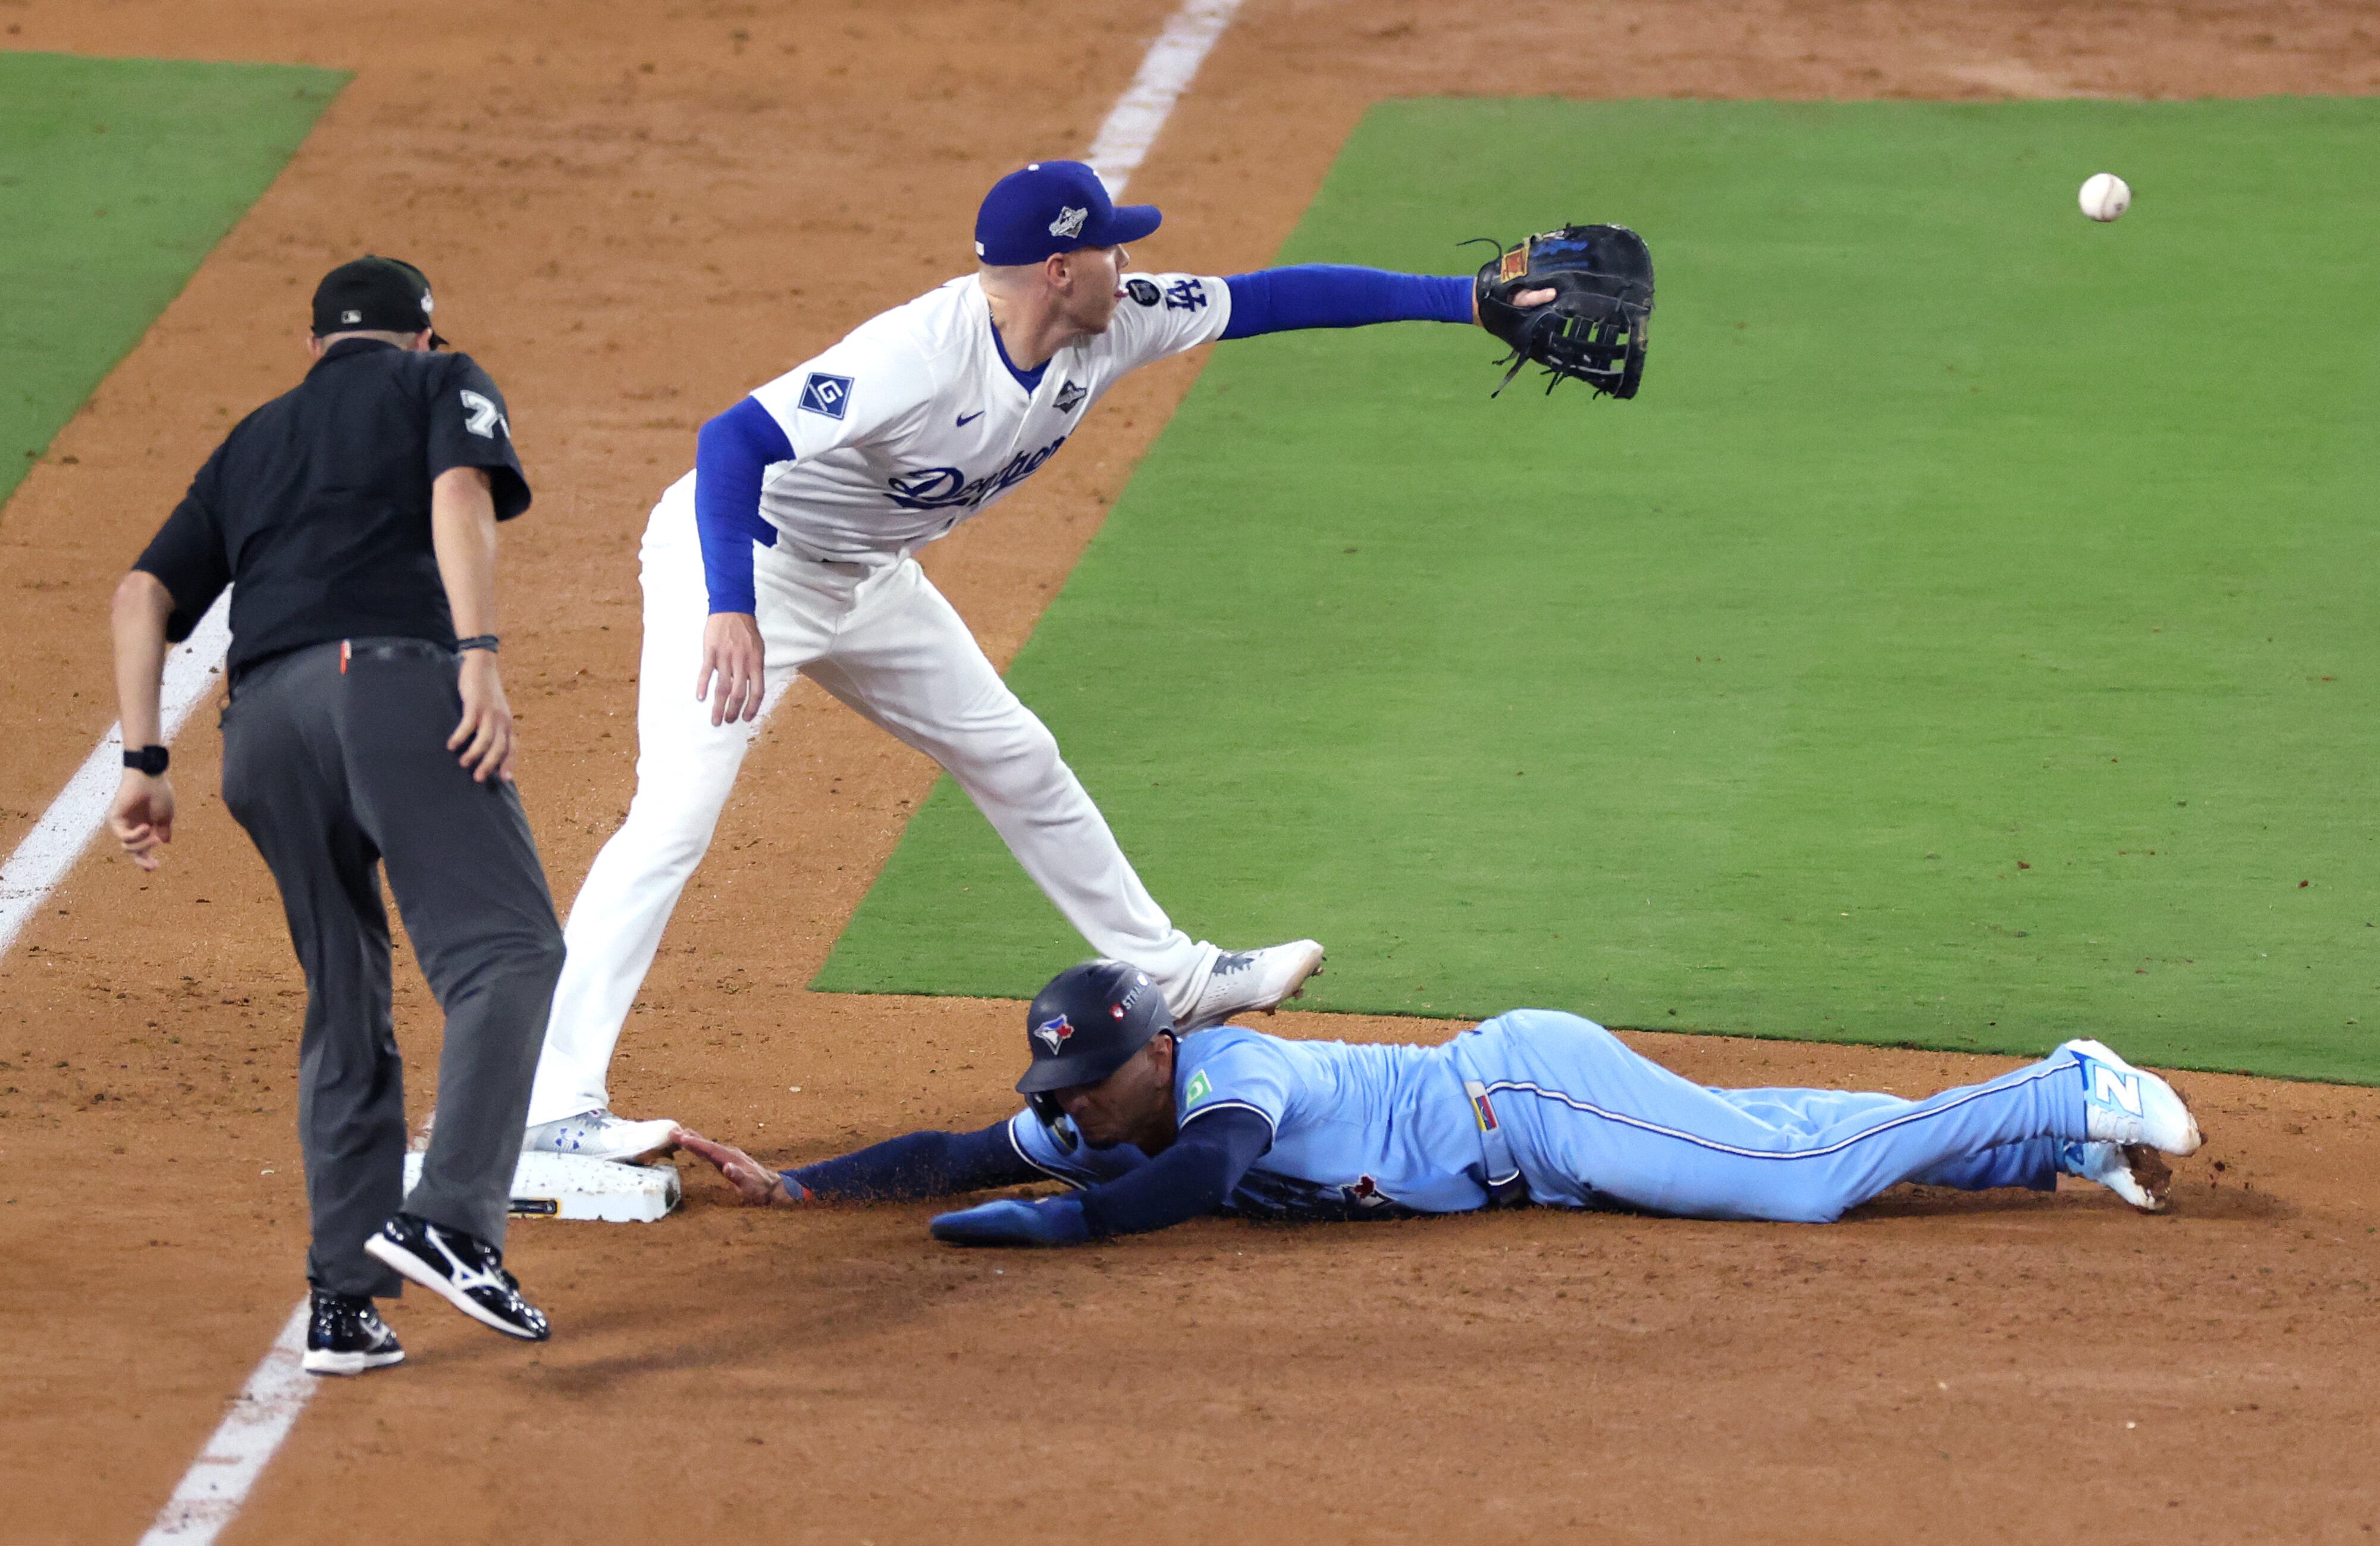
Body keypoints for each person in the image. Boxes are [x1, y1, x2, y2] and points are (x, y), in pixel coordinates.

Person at [527, 159, 1559, 1162]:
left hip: (870, 577)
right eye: (1111, 244)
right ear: (1060, 271)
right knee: (671, 821)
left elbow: (1268, 300)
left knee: (1014, 754)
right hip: (745, 567)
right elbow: (731, 440)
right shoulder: (915, 354)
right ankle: (547, 1108)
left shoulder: (1115, 318)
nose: (1130, 258)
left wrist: (1458, 299)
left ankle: (1174, 974)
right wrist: (729, 607)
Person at [109, 256, 562, 1375]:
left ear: (313, 347)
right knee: (508, 955)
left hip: (260, 732)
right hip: (389, 687)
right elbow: (460, 489)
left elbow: (142, 595)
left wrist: (143, 759)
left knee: (346, 998)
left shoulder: (256, 435)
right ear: (419, 335)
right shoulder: (437, 380)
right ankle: (452, 1219)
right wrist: (479, 658)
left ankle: (341, 1305)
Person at [676, 959, 2204, 1243]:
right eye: (1061, 1096)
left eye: (1090, 1082)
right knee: (1787, 1133)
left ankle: (2063, 1077)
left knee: (1790, 1184)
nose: (1072, 1112)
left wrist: (1077, 1225)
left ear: (1155, 1048)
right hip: (1537, 1153)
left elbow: (1206, 1181)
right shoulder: (1106, 1114)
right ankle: (2053, 1146)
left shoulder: (1228, 1078)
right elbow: (954, 1148)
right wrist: (806, 1183)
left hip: (1523, 1097)